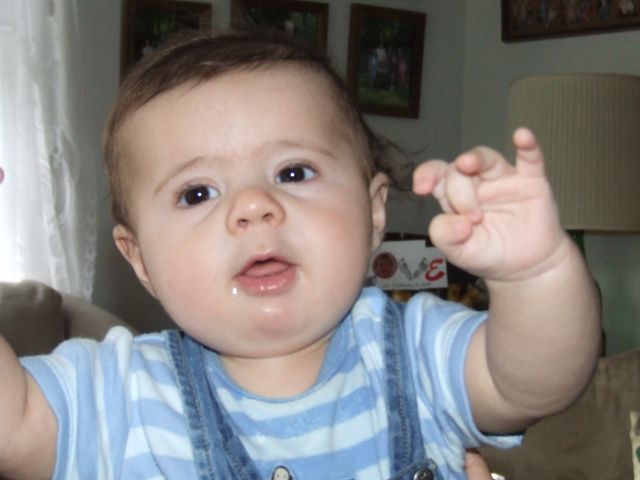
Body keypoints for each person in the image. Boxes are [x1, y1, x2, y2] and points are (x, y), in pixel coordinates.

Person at [0, 30, 601, 480]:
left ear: (374, 212)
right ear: (140, 260)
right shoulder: (120, 393)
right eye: (197, 193)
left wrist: (535, 273)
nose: (254, 207)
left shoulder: (415, 353)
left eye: (293, 172)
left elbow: (536, 384)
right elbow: (12, 425)